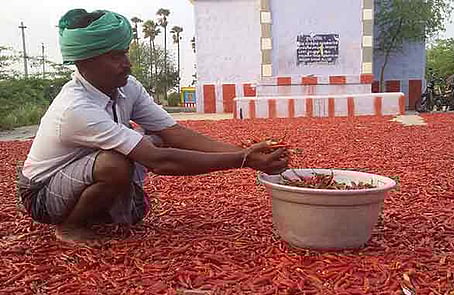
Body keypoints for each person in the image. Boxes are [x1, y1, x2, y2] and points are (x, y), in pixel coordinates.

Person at [17, 9, 288, 245]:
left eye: (124, 54)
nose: (127, 64)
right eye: (115, 57)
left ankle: (98, 211)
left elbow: (174, 133)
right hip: (42, 193)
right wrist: (242, 161)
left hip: (80, 174)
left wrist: (246, 152)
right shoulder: (76, 108)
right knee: (116, 164)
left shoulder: (126, 87)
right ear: (84, 62)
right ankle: (69, 227)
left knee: (152, 142)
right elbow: (159, 161)